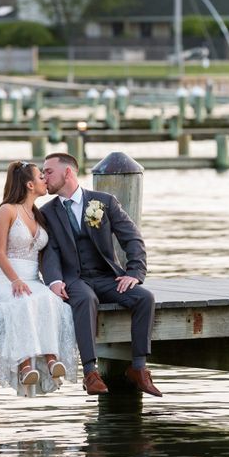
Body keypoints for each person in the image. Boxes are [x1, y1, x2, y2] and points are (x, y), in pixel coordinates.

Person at [40, 152, 162, 397]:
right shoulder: (47, 212)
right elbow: (49, 251)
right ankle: (90, 372)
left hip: (107, 277)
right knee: (86, 299)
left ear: (68, 172)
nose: (43, 177)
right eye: (42, 173)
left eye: (48, 171)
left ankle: (138, 368)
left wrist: (134, 273)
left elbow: (132, 238)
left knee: (144, 298)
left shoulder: (104, 201)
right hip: (75, 279)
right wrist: (53, 280)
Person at [0, 160, 77, 397]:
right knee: (22, 301)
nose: (45, 180)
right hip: (4, 280)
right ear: (29, 184)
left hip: (33, 280)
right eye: (40, 177)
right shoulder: (7, 210)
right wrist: (14, 279)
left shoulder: (38, 214)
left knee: (50, 301)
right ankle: (25, 367)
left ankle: (52, 358)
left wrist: (58, 280)